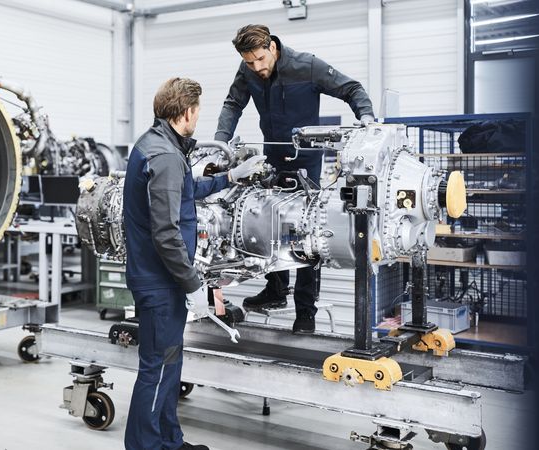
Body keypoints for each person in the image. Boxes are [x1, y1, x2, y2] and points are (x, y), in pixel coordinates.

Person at [123, 77, 266, 450]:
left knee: (170, 363)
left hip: (160, 278)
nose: (198, 118)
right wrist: (192, 284)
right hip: (160, 282)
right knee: (156, 368)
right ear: (186, 112)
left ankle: (170, 440)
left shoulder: (158, 145)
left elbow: (188, 193)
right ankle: (146, 446)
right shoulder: (166, 157)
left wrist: (231, 177)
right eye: (198, 111)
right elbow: (166, 234)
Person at [214, 24, 376, 334]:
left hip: (307, 162)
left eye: (260, 59)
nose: (257, 68)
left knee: (307, 234)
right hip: (272, 158)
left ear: (272, 47)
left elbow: (351, 88)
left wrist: (366, 116)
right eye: (250, 62)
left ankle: (305, 311)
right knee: (267, 223)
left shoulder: (308, 65)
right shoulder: (247, 70)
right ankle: (275, 288)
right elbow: (233, 103)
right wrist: (221, 142)